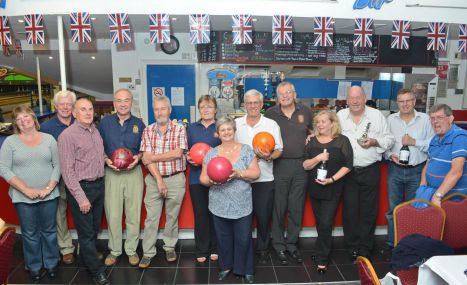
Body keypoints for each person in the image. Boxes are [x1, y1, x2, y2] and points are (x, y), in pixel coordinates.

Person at [0, 105, 60, 283]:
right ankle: (33, 266)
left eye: (26, 117)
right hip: (22, 196)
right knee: (30, 233)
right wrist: (26, 190)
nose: (23, 121)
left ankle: (51, 263)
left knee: (49, 230)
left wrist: (48, 188)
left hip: (49, 194)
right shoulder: (10, 142)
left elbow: (58, 165)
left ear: (33, 118)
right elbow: (3, 168)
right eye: (19, 119)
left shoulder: (49, 139)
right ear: (16, 123)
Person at [200, 116, 260, 284]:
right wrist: (212, 180)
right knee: (223, 237)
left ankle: (246, 270)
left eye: (229, 129)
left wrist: (239, 173)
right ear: (218, 134)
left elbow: (256, 173)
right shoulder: (212, 153)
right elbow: (203, 178)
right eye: (222, 130)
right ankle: (225, 267)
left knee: (243, 238)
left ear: (234, 131)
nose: (226, 132)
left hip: (242, 203)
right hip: (219, 203)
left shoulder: (246, 150)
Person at [337, 86, 394, 261]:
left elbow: (389, 140)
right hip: (348, 171)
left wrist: (374, 141)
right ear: (347, 100)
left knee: (369, 210)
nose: (355, 101)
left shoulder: (377, 116)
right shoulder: (339, 117)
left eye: (358, 97)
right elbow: (329, 137)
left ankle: (365, 247)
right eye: (351, 98)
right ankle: (352, 246)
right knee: (350, 210)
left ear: (365, 98)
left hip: (370, 169)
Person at [58, 98, 108, 285]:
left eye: (90, 109)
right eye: (83, 110)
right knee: (86, 233)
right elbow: (67, 171)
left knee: (94, 229)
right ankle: (97, 272)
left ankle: (84, 262)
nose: (88, 113)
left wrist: (106, 160)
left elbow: (95, 155)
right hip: (82, 189)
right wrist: (81, 198)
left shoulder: (94, 130)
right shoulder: (67, 136)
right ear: (74, 113)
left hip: (98, 185)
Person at [265, 81, 312, 265]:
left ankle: (292, 244)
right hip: (279, 164)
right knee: (279, 207)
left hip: (301, 165)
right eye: (281, 94)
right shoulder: (270, 113)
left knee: (296, 207)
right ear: (277, 97)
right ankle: (278, 245)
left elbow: (315, 129)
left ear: (294, 94)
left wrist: (312, 134)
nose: (285, 96)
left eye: (288, 93)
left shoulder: (306, 111)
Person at [98, 89, 145, 267]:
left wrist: (138, 158)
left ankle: (131, 250)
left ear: (131, 102)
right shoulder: (105, 123)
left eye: (126, 100)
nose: (123, 104)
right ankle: (115, 250)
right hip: (112, 174)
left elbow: (144, 149)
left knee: (134, 214)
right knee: (113, 214)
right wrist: (105, 159)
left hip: (134, 173)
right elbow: (97, 146)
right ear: (114, 103)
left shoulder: (139, 124)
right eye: (119, 100)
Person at [138, 95, 187, 268]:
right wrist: (159, 181)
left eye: (163, 108)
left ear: (169, 109)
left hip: (175, 178)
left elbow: (177, 153)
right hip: (153, 180)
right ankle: (148, 252)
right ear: (154, 112)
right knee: (151, 218)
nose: (160, 113)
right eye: (156, 109)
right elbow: (146, 160)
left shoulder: (180, 129)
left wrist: (155, 156)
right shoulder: (148, 130)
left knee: (172, 216)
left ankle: (169, 247)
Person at [235, 89, 283, 264]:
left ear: (261, 105)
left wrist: (268, 156)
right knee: (242, 218)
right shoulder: (237, 124)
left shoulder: (271, 124)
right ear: (245, 105)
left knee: (263, 217)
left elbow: (279, 150)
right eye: (249, 103)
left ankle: (263, 249)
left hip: (264, 179)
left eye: (256, 102)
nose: (252, 106)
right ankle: (243, 248)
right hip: (241, 179)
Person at [303, 110, 353, 273]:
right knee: (320, 222)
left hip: (333, 188)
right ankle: (320, 251)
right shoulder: (311, 142)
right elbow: (305, 165)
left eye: (324, 121)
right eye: (318, 122)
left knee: (325, 222)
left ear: (333, 123)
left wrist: (331, 180)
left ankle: (322, 259)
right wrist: (318, 158)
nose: (320, 124)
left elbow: (348, 165)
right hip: (315, 188)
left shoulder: (342, 141)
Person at [384, 88, 433, 248]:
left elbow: (433, 145)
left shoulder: (425, 120)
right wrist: (391, 155)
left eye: (408, 100)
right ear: (397, 103)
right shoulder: (390, 119)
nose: (405, 104)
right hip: (395, 170)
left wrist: (415, 142)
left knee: (414, 209)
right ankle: (392, 243)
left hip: (417, 170)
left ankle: (410, 245)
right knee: (394, 210)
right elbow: (385, 144)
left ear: (414, 101)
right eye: (401, 101)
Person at [40, 90, 77, 265]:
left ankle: (87, 248)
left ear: (73, 106)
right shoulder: (46, 128)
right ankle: (66, 248)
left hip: (81, 177)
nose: (65, 107)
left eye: (68, 104)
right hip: (59, 178)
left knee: (84, 212)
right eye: (61, 104)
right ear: (55, 106)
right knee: (60, 213)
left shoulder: (83, 122)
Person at [186, 95, 221, 263]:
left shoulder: (221, 127)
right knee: (200, 214)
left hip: (217, 177)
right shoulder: (191, 128)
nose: (206, 110)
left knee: (216, 213)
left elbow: (227, 149)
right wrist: (188, 157)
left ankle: (215, 247)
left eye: (209, 106)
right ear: (199, 109)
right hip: (196, 177)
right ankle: (201, 249)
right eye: (203, 107)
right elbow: (186, 150)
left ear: (215, 109)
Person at [419, 104, 467, 205]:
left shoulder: (460, 136)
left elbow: (456, 171)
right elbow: (428, 164)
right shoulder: (434, 139)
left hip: (451, 199)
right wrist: (422, 187)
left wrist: (437, 196)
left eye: (440, 117)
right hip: (431, 193)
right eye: (432, 118)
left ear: (450, 119)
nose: (435, 121)